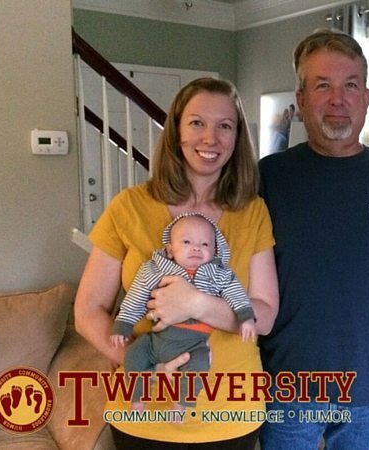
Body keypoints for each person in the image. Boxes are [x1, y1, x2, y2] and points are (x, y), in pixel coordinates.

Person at [74, 77, 279, 449]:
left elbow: (264, 316)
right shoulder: (129, 206)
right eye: (197, 122)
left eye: (225, 126)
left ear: (237, 138)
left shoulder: (253, 211)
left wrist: (197, 304)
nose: (210, 138)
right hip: (143, 416)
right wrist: (141, 365)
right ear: (176, 132)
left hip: (231, 413)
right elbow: (88, 309)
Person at [258, 29, 369, 450]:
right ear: (302, 98)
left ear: (365, 98)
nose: (337, 99)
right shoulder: (268, 177)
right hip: (288, 380)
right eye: (322, 85)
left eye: (350, 86)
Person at [110, 212, 256, 412]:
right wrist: (123, 325)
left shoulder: (219, 274)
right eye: (186, 242)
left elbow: (236, 294)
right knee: (133, 356)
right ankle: (137, 398)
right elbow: (136, 295)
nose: (196, 247)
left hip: (194, 343)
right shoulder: (155, 270)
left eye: (205, 244)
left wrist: (246, 318)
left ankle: (182, 403)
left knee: (199, 366)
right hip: (156, 339)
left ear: (215, 251)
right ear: (170, 250)